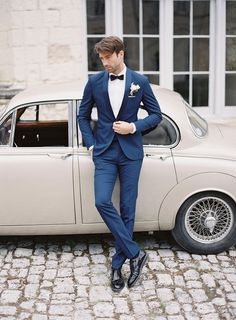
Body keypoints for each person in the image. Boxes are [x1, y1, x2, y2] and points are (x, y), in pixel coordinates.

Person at [78, 36, 162, 292]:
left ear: (120, 54)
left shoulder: (140, 82)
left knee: (128, 209)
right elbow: (82, 115)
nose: (103, 63)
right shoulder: (94, 82)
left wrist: (133, 126)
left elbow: (156, 114)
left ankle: (117, 265)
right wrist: (91, 144)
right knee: (102, 201)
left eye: (107, 58)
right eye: (101, 58)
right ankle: (136, 253)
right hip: (103, 151)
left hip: (130, 153)